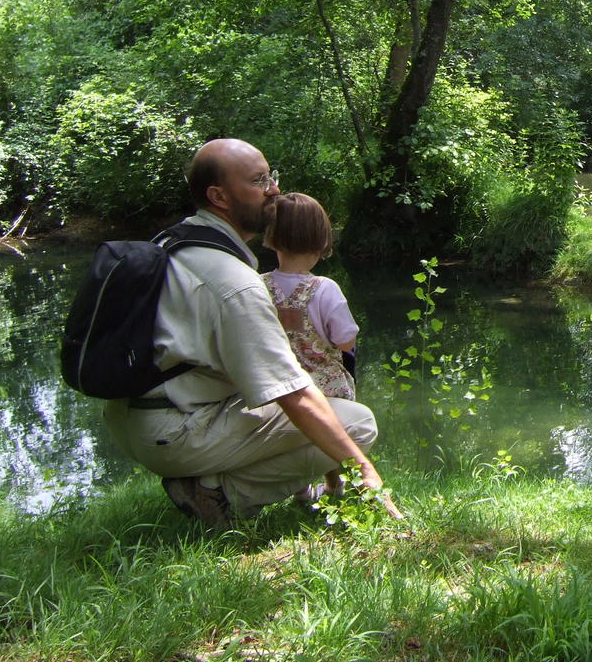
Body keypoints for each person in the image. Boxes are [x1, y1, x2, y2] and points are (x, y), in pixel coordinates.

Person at [103, 138, 402, 528]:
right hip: (174, 429)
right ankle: (220, 495)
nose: (274, 189)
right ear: (219, 196)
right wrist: (363, 469)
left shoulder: (176, 241)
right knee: (356, 422)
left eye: (271, 176)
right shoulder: (235, 282)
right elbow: (293, 393)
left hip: (134, 419)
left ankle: (209, 479)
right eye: (260, 181)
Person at [261, 192, 358, 400]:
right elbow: (346, 342)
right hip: (326, 393)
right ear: (320, 238)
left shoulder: (257, 286)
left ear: (273, 237)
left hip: (277, 391)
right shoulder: (325, 289)